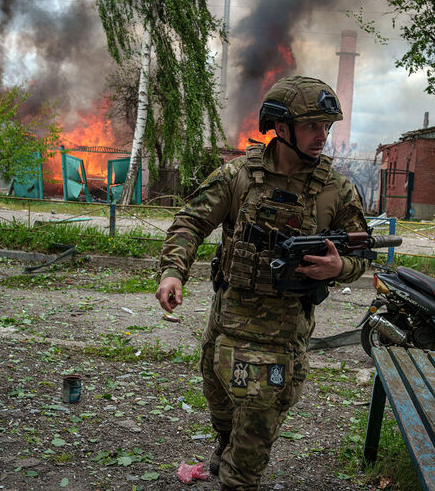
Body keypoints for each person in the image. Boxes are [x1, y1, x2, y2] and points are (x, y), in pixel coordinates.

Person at [155, 76, 369, 491]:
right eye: (313, 126)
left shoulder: (335, 190)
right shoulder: (239, 174)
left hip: (281, 337)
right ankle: (225, 447)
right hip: (226, 323)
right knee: (221, 407)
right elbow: (190, 221)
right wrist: (171, 271)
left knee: (250, 449)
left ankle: (237, 473)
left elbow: (363, 255)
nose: (322, 136)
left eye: (328, 127)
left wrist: (339, 266)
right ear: (282, 127)